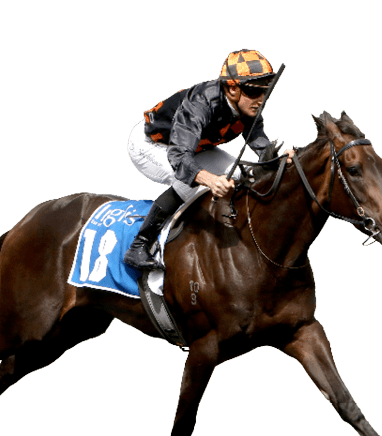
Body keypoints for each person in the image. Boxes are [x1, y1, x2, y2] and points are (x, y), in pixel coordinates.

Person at [124, 48, 294, 270]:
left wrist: (275, 158)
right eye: (254, 91)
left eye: (266, 91)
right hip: (152, 144)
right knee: (191, 184)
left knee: (237, 175)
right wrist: (211, 180)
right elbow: (179, 157)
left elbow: (258, 140)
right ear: (232, 89)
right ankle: (139, 244)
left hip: (194, 148)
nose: (261, 99)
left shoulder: (249, 106)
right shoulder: (200, 104)